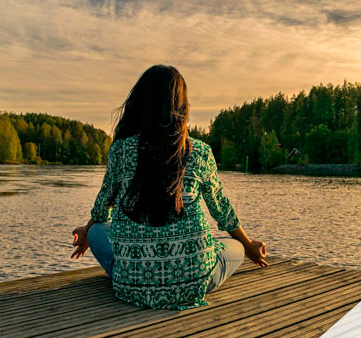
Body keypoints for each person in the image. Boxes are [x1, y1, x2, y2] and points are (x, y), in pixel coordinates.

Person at [70, 65, 268, 310]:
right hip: (195, 282)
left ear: (140, 103)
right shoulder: (200, 152)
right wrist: (249, 245)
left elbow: (102, 207)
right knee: (235, 246)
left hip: (131, 286)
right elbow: (222, 211)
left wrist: (88, 230)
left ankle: (131, 271)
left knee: (99, 230)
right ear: (182, 106)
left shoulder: (120, 150)